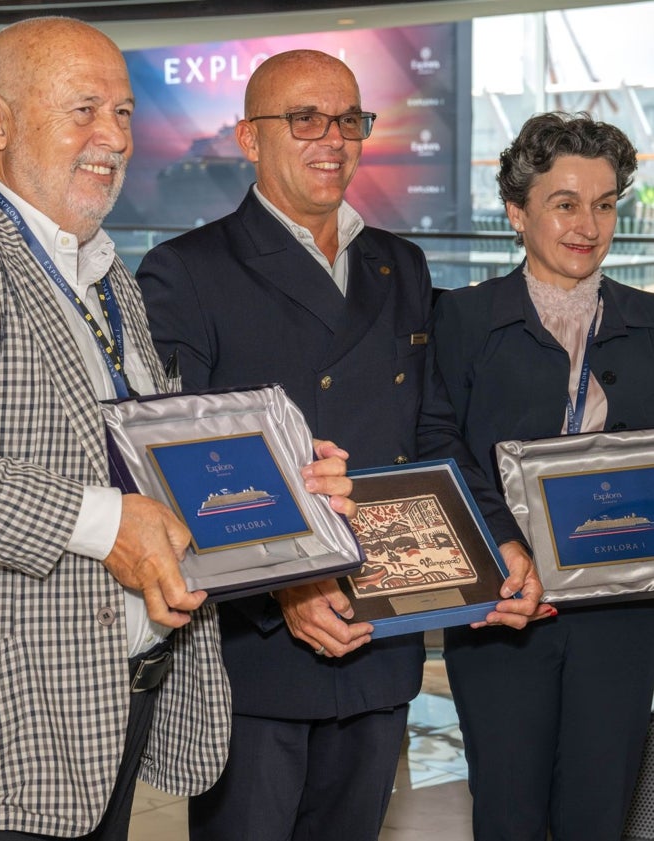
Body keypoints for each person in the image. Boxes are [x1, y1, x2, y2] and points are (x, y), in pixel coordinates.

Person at [0, 19, 355, 840]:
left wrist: (285, 480)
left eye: (125, 113)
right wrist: (105, 526)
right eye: (84, 110)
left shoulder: (103, 273)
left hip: (107, 709)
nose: (114, 138)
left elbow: (157, 456)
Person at [137, 49, 544, 841]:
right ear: (249, 138)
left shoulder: (401, 263)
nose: (333, 139)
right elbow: (178, 470)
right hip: (253, 654)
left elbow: (432, 431)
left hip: (381, 634)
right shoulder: (185, 271)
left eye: (349, 120)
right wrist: (280, 590)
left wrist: (496, 539)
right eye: (304, 120)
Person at [432, 112, 654, 841]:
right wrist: (500, 541)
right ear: (516, 213)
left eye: (603, 202)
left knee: (598, 811)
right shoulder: (460, 319)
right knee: (507, 812)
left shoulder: (650, 322)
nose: (586, 224)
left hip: (621, 614)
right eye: (563, 202)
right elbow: (437, 439)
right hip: (502, 609)